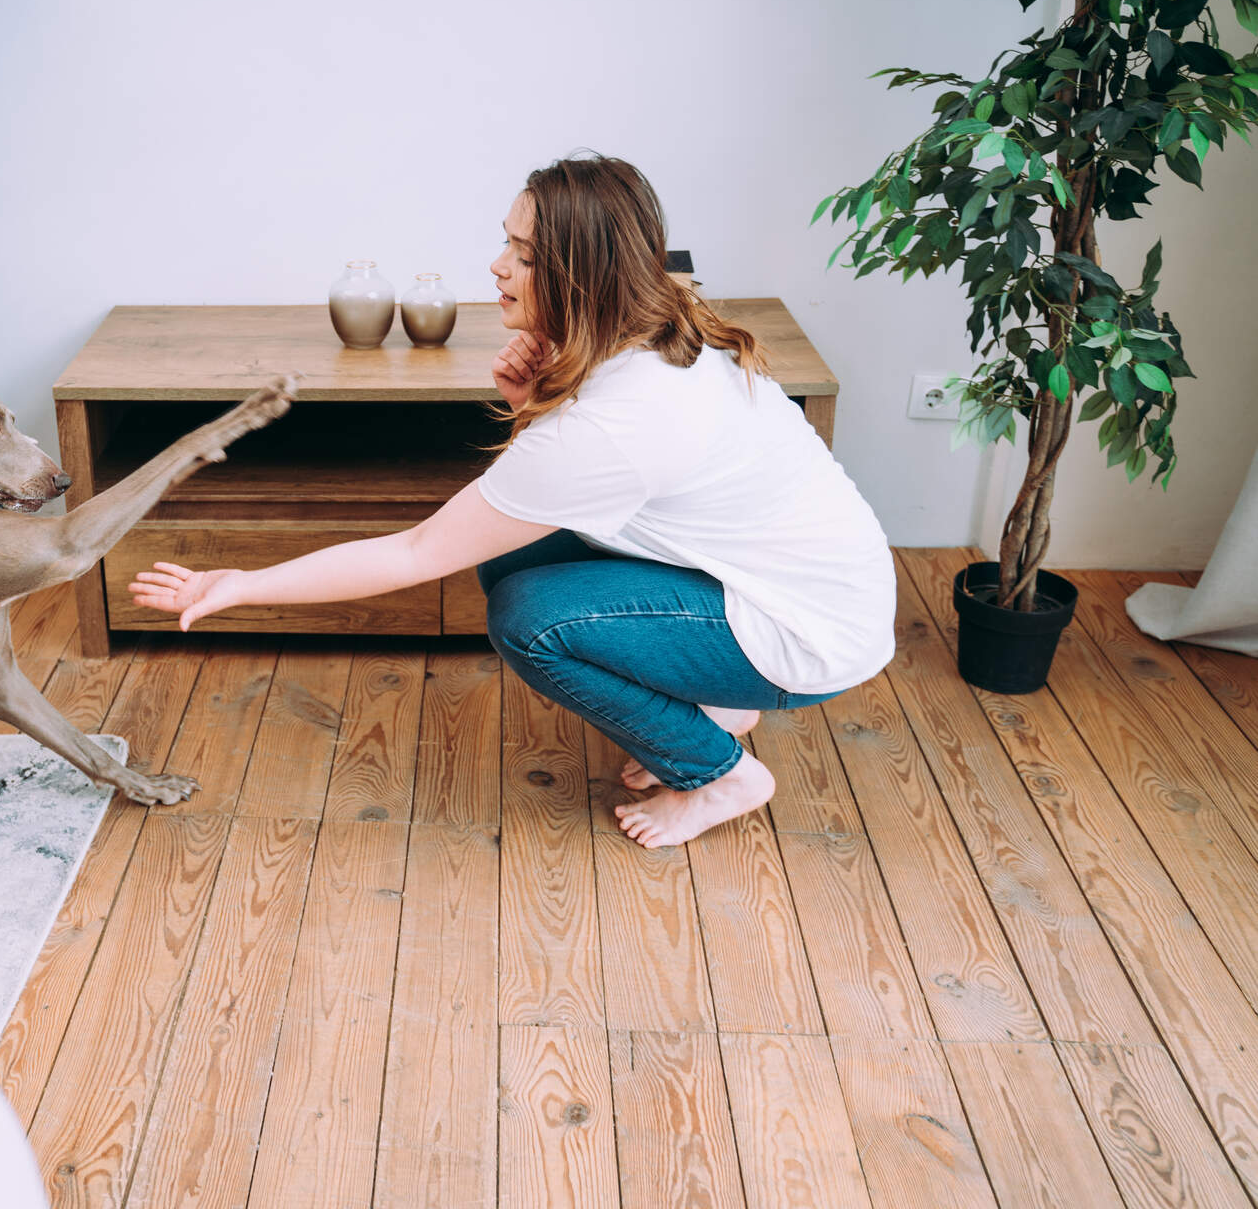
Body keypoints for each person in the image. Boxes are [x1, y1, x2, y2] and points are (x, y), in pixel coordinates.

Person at [127, 154, 895, 848]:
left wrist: (241, 585)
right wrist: (533, 404)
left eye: (523, 255)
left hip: (806, 638)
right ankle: (712, 708)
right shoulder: (660, 327)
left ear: (585, 273)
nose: (496, 267)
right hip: (795, 588)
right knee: (514, 556)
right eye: (506, 242)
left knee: (528, 617)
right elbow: (566, 489)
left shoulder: (624, 418)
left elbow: (416, 552)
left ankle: (721, 775)